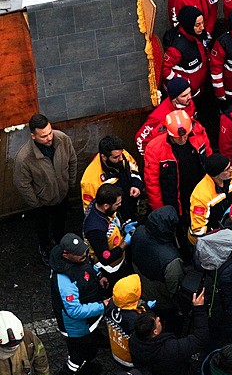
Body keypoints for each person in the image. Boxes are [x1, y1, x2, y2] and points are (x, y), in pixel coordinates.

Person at [50, 234, 109, 375]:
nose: (85, 254)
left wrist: (99, 276)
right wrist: (102, 306)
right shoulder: (64, 280)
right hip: (75, 326)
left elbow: (89, 265)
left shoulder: (79, 256)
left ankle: (85, 363)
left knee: (90, 349)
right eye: (80, 253)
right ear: (66, 255)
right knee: (77, 356)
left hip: (88, 320)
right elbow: (74, 311)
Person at [13, 113, 77, 264]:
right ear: (33, 136)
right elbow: (22, 184)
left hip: (62, 193)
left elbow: (72, 160)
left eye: (50, 132)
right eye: (43, 136)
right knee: (42, 225)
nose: (49, 138)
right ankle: (45, 247)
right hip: (43, 201)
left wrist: (70, 184)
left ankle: (59, 241)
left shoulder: (62, 139)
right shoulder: (24, 158)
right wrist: (36, 202)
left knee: (60, 220)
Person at [143, 108, 212, 221]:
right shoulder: (155, 148)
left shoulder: (199, 135)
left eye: (185, 135)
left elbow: (209, 159)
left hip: (200, 190)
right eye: (178, 137)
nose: (183, 138)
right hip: (173, 197)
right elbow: (152, 184)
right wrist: (159, 211)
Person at [129, 206, 187, 335]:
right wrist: (181, 307)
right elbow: (175, 288)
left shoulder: (138, 232)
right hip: (163, 300)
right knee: (171, 326)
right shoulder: (172, 260)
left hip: (142, 288)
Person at [80, 135, 143, 222]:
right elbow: (91, 211)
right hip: (114, 219)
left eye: (121, 154)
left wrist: (136, 184)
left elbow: (133, 167)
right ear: (104, 157)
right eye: (116, 157)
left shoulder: (121, 154)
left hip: (130, 206)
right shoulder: (90, 180)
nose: (121, 158)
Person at [188, 153, 232, 245]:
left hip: (227, 227)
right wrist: (226, 235)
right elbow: (199, 231)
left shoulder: (231, 177)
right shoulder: (200, 196)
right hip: (208, 240)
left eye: (230, 166)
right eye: (227, 169)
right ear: (216, 175)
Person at [83, 183, 135, 282]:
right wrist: (125, 243)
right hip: (109, 271)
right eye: (117, 204)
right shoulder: (95, 229)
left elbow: (112, 220)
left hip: (119, 260)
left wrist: (123, 226)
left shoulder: (99, 206)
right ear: (106, 206)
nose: (120, 205)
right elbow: (106, 258)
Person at [135, 77, 202, 155]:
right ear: (174, 99)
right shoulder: (159, 116)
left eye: (189, 93)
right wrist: (153, 156)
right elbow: (140, 140)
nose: (189, 97)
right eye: (184, 96)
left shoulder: (188, 103)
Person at [161, 6, 211, 99]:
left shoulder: (198, 34)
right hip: (183, 95)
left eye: (203, 22)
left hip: (199, 87)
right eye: (197, 24)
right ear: (188, 24)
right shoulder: (176, 48)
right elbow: (164, 70)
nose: (202, 27)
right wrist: (184, 82)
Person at [105, 274, 153, 367]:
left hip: (116, 349)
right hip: (129, 359)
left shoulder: (111, 304)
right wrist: (146, 309)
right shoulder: (135, 319)